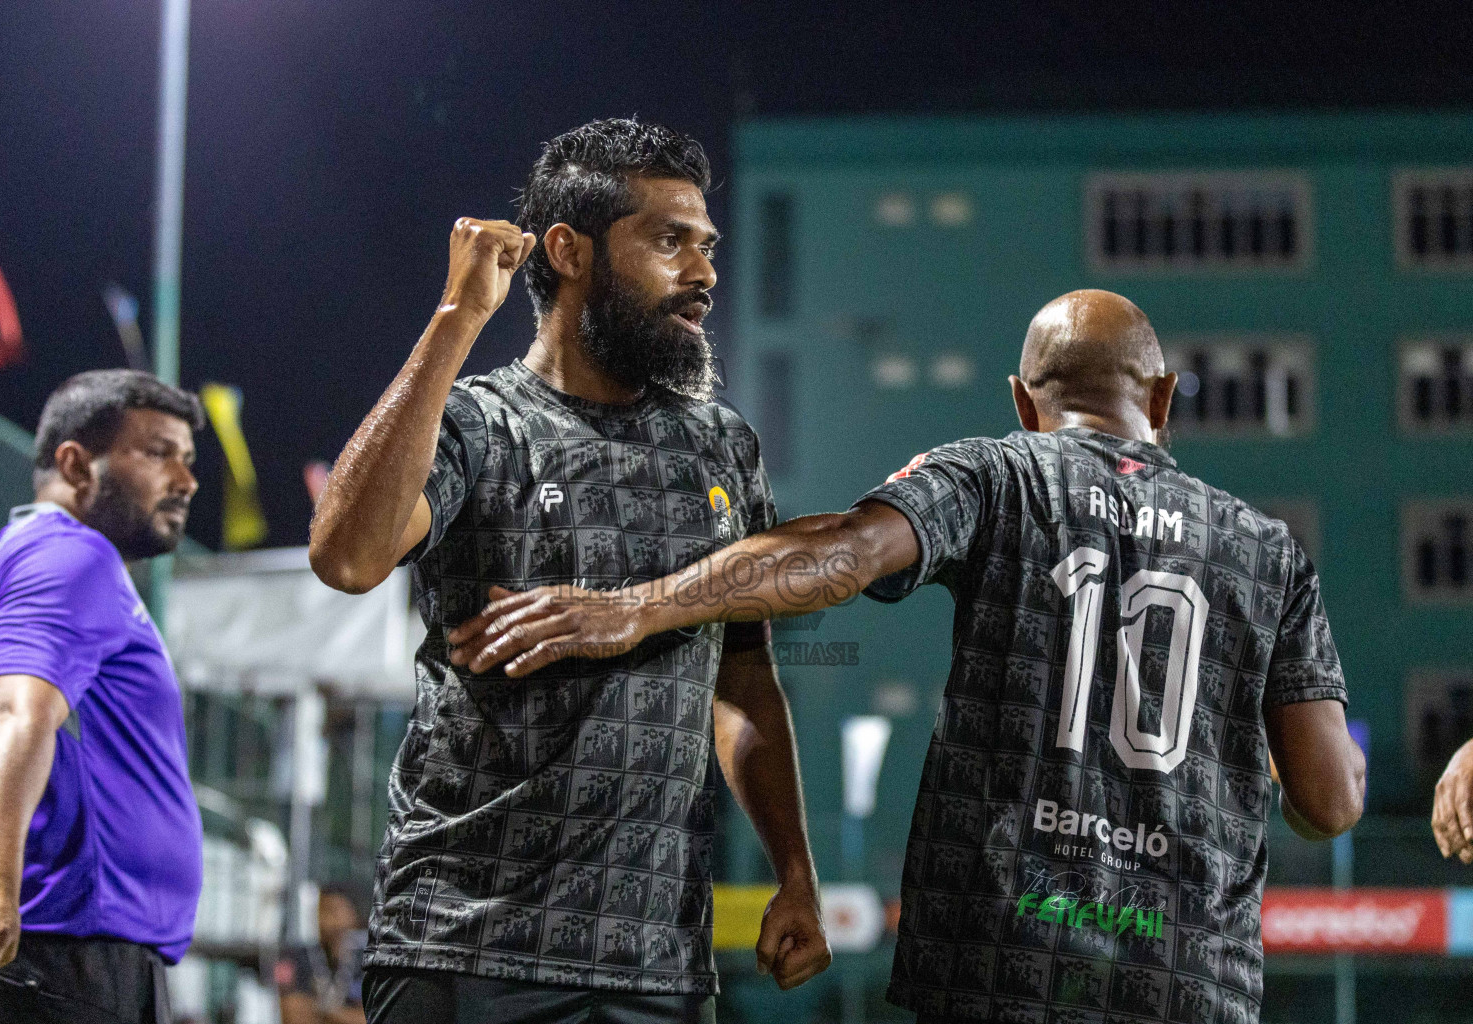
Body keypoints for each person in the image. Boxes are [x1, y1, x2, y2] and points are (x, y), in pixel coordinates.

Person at [449, 289, 1368, 1024]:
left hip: (999, 968)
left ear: (1023, 401)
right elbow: (1328, 804)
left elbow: (843, 551)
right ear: (1162, 400)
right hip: (1185, 982)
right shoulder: (1268, 551)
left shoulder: (997, 473)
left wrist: (638, 607)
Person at [309, 118, 830, 1023]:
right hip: (464, 949)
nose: (702, 273)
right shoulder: (481, 424)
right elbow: (349, 556)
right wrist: (457, 316)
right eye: (669, 242)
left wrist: (795, 871)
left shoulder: (722, 444)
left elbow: (744, 680)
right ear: (568, 248)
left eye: (706, 247)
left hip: (659, 966)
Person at [0, 369, 205, 1023]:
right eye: (157, 452)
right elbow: (13, 712)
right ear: (75, 463)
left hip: (45, 953)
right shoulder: (70, 559)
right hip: (56, 953)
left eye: (189, 460)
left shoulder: (6, 566)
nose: (186, 480)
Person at [274, 884, 368, 1024]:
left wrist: (323, 1012)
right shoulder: (296, 957)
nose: (328, 921)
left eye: (336, 911)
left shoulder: (365, 960)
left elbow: (369, 1018)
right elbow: (293, 1016)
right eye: (322, 911)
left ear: (352, 915)